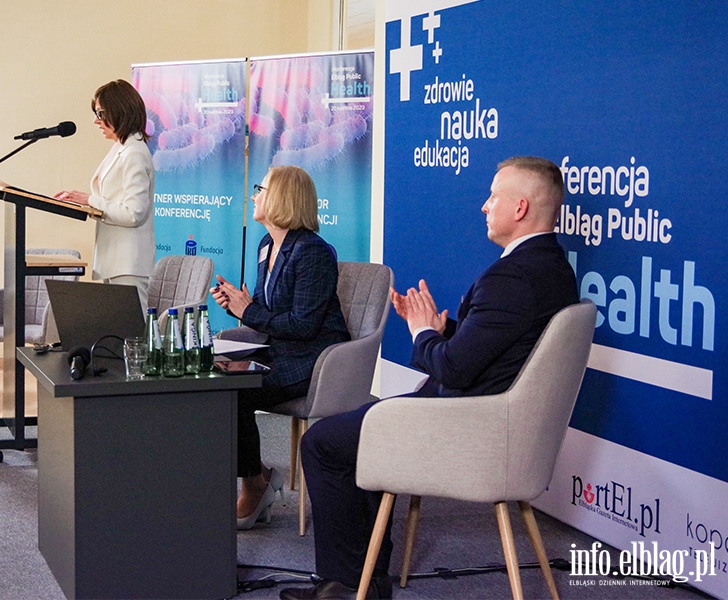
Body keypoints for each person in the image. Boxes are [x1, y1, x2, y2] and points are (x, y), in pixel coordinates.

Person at [280, 156, 580, 600]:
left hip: (467, 424)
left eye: (494, 195)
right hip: (489, 413)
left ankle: (348, 584)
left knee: (324, 443)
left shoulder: (513, 275)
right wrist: (447, 332)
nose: (484, 205)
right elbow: (505, 349)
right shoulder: (554, 269)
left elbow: (455, 368)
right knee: (360, 427)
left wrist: (423, 333)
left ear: (519, 208)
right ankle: (365, 577)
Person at [211, 165, 350, 530]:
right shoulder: (266, 245)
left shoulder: (313, 252)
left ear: (283, 197)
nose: (254, 195)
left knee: (234, 392)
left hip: (315, 359)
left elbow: (304, 326)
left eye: (261, 188)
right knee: (211, 380)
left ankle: (254, 485)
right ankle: (256, 476)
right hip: (279, 349)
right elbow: (270, 312)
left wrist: (250, 310)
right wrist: (239, 304)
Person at [55, 79, 155, 307]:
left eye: (100, 113)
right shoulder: (121, 147)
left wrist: (89, 200)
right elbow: (111, 202)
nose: (96, 121)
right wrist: (82, 203)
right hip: (115, 259)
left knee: (130, 337)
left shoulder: (134, 153)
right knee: (115, 335)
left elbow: (134, 213)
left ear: (119, 111)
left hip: (128, 261)